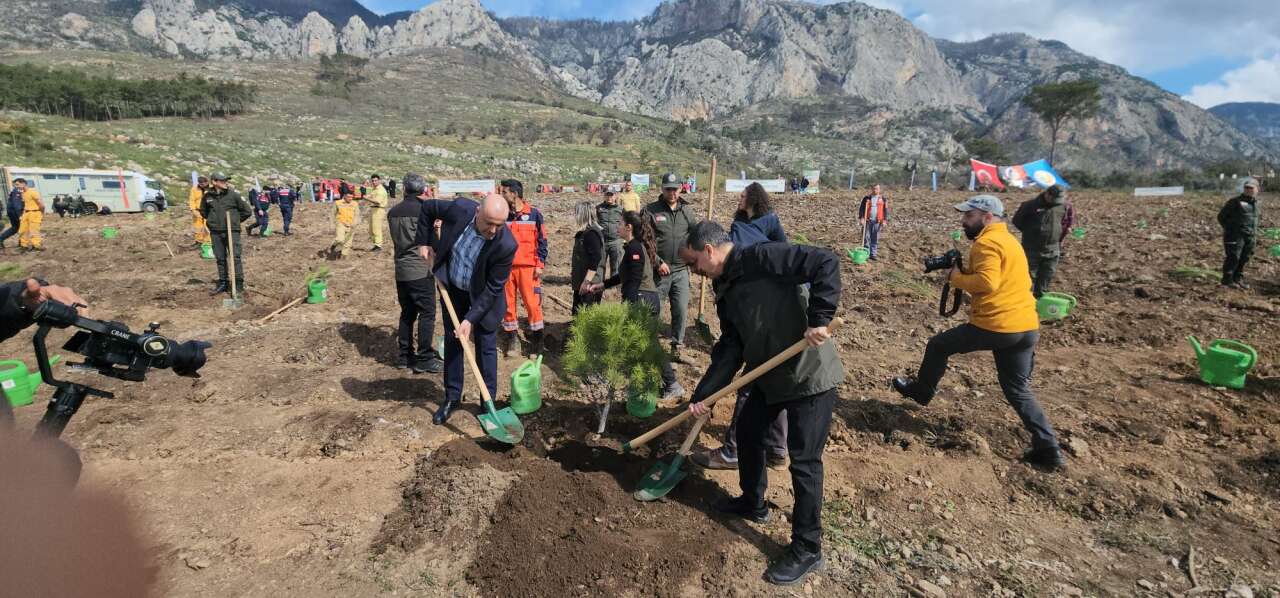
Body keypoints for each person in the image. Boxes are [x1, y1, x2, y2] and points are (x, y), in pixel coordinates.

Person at [680, 220, 844, 586]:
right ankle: (753, 502)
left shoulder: (763, 257)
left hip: (808, 374)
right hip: (768, 375)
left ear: (709, 250)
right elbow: (731, 346)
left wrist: (819, 318)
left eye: (693, 263)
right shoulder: (724, 286)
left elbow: (825, 262)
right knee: (749, 434)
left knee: (804, 462)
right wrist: (705, 395)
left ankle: (808, 548)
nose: (694, 272)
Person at [892, 195, 1064, 470]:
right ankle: (1049, 448)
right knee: (1018, 389)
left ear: (987, 217)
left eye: (969, 216)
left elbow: (987, 282)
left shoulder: (987, 243)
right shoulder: (1010, 241)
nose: (963, 221)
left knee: (938, 345)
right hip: (1026, 326)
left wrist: (956, 278)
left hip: (997, 325)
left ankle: (922, 392)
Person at [693, 182, 789, 470]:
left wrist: (704, 396)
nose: (739, 198)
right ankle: (776, 449)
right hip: (778, 316)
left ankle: (733, 452)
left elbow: (731, 350)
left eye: (744, 195)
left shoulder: (763, 230)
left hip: (777, 321)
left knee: (751, 385)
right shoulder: (740, 227)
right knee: (773, 383)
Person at [413, 193, 516, 425]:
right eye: (489, 223)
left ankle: (487, 403)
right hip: (454, 289)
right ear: (477, 212)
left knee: (486, 347)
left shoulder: (506, 244)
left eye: (499, 225)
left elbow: (493, 288)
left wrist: (470, 320)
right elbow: (428, 208)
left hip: (484, 299)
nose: (493, 230)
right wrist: (424, 242)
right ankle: (452, 397)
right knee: (453, 341)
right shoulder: (459, 209)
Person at [591, 211, 684, 401]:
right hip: (645, 298)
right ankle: (650, 384)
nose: (617, 226)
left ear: (629, 227)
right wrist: (603, 285)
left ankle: (670, 384)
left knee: (648, 345)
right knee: (644, 346)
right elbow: (624, 276)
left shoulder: (634, 248)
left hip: (643, 300)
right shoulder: (634, 247)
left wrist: (629, 306)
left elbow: (633, 281)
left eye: (620, 223)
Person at [388, 173, 443, 374]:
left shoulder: (392, 212)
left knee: (407, 313)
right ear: (422, 190)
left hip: (401, 270)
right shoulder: (424, 211)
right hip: (420, 269)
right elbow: (431, 243)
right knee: (427, 313)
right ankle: (425, 357)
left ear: (404, 188)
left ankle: (405, 356)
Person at [643, 173, 699, 362]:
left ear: (681, 188)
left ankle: (677, 347)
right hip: (659, 271)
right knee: (654, 311)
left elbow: (695, 236)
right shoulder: (651, 210)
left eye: (675, 189)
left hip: (681, 271)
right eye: (668, 189)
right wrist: (658, 262)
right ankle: (649, 347)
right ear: (662, 189)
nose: (672, 193)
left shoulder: (687, 211)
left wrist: (694, 260)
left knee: (681, 310)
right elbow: (645, 240)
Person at [498, 179, 547, 356]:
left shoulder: (534, 215)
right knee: (508, 305)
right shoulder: (501, 215)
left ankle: (537, 341)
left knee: (532, 304)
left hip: (528, 269)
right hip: (506, 268)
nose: (501, 195)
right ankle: (512, 340)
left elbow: (542, 241)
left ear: (514, 194)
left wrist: (540, 264)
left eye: (504, 192)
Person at [1011, 184, 1073, 297]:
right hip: (1031, 248)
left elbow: (1067, 222)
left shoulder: (1064, 206)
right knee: (1028, 276)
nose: (1056, 202)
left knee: (1047, 275)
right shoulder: (1030, 205)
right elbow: (1017, 221)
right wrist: (1032, 232)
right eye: (1054, 198)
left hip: (1053, 248)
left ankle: (1040, 299)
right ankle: (1025, 299)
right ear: (1047, 194)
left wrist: (1061, 233)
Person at [199, 172, 253, 295]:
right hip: (215, 232)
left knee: (235, 257)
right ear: (214, 182)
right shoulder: (207, 196)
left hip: (232, 231)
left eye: (226, 181)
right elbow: (203, 211)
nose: (225, 183)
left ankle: (238, 284)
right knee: (220, 258)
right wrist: (212, 222)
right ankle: (223, 282)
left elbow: (247, 211)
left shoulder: (233, 195)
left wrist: (235, 221)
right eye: (222, 181)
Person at [1218, 178, 1261, 289]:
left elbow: (1254, 220)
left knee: (1244, 258)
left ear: (1257, 189)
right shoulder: (1235, 202)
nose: (1248, 190)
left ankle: (1238, 279)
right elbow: (1221, 217)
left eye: (1251, 188)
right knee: (1233, 257)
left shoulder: (1255, 204)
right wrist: (1232, 230)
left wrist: (1254, 234)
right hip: (1235, 236)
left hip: (1250, 236)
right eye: (1246, 187)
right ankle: (1227, 281)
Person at [569, 200, 605, 315]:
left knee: (587, 317)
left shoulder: (591, 234)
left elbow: (596, 258)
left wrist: (586, 282)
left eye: (576, 213)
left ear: (582, 215)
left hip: (590, 285)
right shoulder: (583, 233)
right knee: (577, 315)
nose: (575, 216)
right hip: (582, 283)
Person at [857, 184, 889, 260]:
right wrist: (861, 218)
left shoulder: (883, 199)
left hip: (878, 221)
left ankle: (873, 254)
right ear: (871, 189)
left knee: (875, 238)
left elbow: (885, 210)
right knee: (866, 237)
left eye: (877, 189)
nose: (875, 190)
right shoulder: (867, 198)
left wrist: (884, 220)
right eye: (874, 189)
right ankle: (866, 253)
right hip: (867, 220)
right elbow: (862, 208)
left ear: (879, 190)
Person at [597, 190, 624, 278]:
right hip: (602, 241)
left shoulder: (621, 209)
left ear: (615, 196)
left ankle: (613, 284)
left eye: (611, 196)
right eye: (607, 195)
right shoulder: (598, 208)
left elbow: (625, 223)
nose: (609, 198)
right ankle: (598, 283)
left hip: (616, 241)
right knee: (599, 265)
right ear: (604, 196)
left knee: (616, 266)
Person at [15, 178, 44, 251]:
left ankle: (36, 246)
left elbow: (41, 204)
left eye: (17, 184)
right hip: (26, 213)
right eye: (16, 185)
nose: (16, 186)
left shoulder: (33, 192)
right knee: (22, 230)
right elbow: (25, 204)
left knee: (34, 230)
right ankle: (24, 245)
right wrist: (22, 215)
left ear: (23, 183)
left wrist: (41, 213)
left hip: (35, 213)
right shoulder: (23, 193)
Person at [329, 191, 359, 258]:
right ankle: (334, 245)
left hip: (351, 224)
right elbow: (332, 214)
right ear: (344, 196)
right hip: (340, 223)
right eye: (348, 197)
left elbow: (357, 214)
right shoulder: (337, 203)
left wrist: (355, 223)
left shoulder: (355, 204)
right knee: (340, 239)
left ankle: (344, 255)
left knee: (348, 241)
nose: (350, 198)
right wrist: (332, 224)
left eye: (351, 197)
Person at [365, 174, 389, 251]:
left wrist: (366, 198)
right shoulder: (374, 189)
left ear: (379, 180)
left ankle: (378, 245)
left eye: (375, 180)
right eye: (373, 181)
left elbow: (377, 201)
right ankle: (376, 244)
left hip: (379, 209)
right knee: (371, 229)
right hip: (373, 209)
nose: (374, 182)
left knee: (376, 228)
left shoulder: (381, 190)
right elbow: (369, 195)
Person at [1, 180, 25, 249]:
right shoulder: (17, 191)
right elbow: (17, 205)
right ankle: (22, 243)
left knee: (16, 228)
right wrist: (19, 215)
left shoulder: (15, 191)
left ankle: (22, 242)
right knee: (20, 227)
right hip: (15, 212)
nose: (17, 186)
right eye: (17, 184)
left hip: (12, 211)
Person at [188, 177, 211, 246]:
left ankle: (207, 242)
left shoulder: (212, 189)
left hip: (208, 211)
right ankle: (198, 241)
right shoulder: (194, 189)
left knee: (208, 226)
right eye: (201, 184)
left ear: (207, 182)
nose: (202, 185)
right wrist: (193, 210)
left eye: (204, 184)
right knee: (198, 227)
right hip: (198, 211)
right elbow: (191, 200)